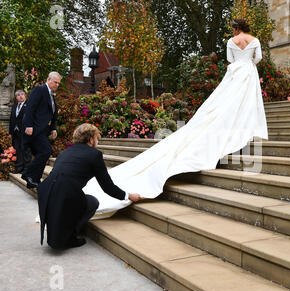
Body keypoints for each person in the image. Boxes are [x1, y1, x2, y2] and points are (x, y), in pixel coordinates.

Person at [82, 18, 268, 218]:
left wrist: (240, 59)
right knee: (246, 103)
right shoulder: (255, 40)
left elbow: (231, 60)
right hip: (248, 72)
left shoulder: (232, 41)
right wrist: (247, 60)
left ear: (236, 28)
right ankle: (244, 128)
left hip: (235, 73)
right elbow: (257, 59)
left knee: (225, 103)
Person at [37, 123, 142, 250]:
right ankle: (70, 237)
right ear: (91, 139)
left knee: (74, 196)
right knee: (92, 202)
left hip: (46, 192)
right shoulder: (94, 155)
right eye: (97, 138)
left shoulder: (65, 152)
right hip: (64, 194)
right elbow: (107, 186)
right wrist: (128, 196)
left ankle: (61, 231)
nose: (97, 141)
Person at [21, 72, 61, 189]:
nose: (57, 85)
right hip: (34, 129)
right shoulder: (40, 90)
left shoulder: (51, 95)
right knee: (46, 151)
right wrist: (28, 125)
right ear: (48, 79)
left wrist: (53, 128)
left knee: (42, 152)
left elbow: (53, 114)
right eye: (55, 82)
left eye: (58, 83)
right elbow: (30, 108)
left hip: (42, 131)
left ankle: (33, 180)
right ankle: (28, 174)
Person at [9, 90, 27, 173]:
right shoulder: (14, 106)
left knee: (25, 149)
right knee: (18, 149)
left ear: (25, 96)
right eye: (18, 95)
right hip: (15, 132)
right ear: (16, 98)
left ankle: (26, 168)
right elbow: (12, 119)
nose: (20, 96)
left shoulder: (28, 106)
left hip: (24, 132)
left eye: (22, 94)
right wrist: (10, 132)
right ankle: (19, 167)